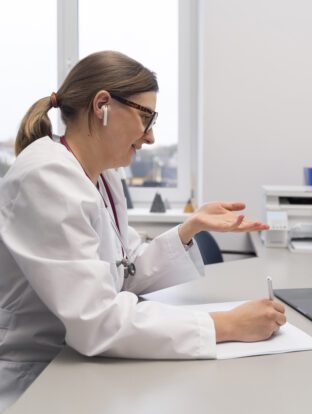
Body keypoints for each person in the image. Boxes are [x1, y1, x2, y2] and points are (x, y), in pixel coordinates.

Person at [0, 51, 286, 412]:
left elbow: (124, 269)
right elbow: (97, 321)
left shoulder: (103, 176)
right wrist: (225, 325)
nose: (150, 137)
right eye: (145, 117)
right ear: (102, 104)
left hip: (78, 365)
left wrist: (190, 226)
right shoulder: (46, 177)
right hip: (37, 379)